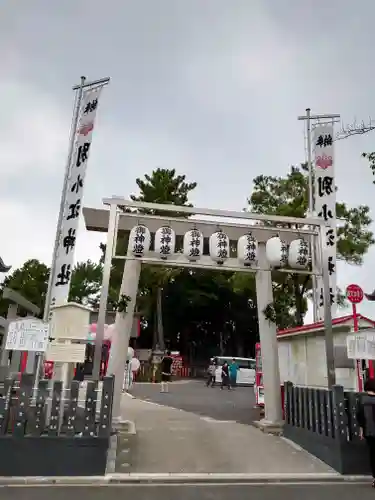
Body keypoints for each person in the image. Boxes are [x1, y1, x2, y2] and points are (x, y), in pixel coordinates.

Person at [356, 377, 375, 486]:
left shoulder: (362, 401)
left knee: (373, 455)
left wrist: (361, 431)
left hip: (370, 433)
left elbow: (360, 418)